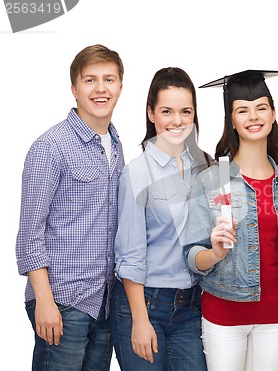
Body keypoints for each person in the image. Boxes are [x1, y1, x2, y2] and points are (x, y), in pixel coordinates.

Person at [183, 70, 278, 371]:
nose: (253, 116)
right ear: (232, 120)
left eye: (261, 107)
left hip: (277, 314)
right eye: (242, 110)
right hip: (224, 313)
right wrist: (215, 252)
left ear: (273, 114)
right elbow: (191, 257)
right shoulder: (211, 181)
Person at [15, 44, 124, 371]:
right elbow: (29, 235)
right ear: (74, 88)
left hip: (103, 303)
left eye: (109, 79)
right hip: (62, 303)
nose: (101, 88)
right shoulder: (50, 148)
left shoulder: (115, 146)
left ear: (120, 86)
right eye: (90, 80)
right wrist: (45, 302)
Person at [110, 67, 211, 371]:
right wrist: (140, 320)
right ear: (151, 113)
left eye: (185, 111)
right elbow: (130, 253)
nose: (177, 121)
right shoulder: (137, 173)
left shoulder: (205, 167)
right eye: (167, 111)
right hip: (144, 305)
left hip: (190, 306)